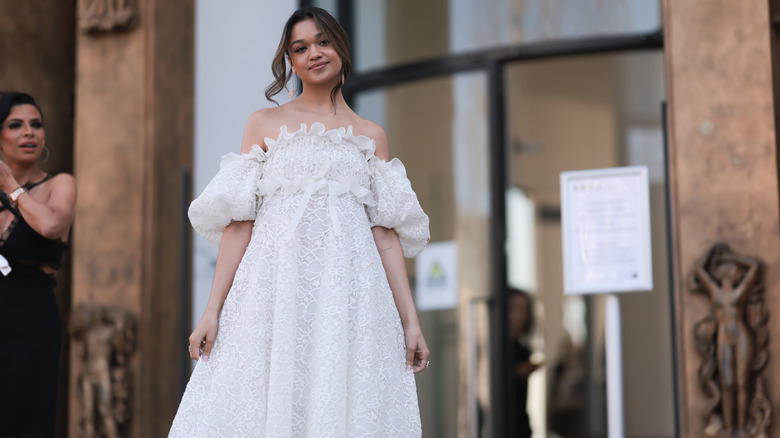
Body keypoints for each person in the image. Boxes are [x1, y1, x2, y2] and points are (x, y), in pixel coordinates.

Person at [169, 7, 431, 437]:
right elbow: (239, 223)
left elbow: (384, 235)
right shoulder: (264, 124)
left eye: (323, 41)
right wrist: (211, 311)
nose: (314, 53)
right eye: (300, 47)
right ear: (290, 61)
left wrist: (411, 320)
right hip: (273, 291)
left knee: (340, 398)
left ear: (341, 48)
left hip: (351, 295)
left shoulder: (372, 135)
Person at [0, 91, 77, 437]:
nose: (28, 132)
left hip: (31, 322)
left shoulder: (59, 184)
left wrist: (11, 188)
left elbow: (50, 225)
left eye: (36, 124)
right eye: (15, 124)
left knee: (24, 418)